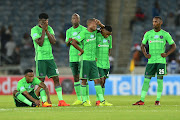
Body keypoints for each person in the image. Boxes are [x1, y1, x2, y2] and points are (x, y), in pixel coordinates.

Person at [133, 16, 176, 105]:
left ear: (161, 23)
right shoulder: (148, 34)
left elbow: (174, 46)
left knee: (159, 80)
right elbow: (142, 45)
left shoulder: (165, 34)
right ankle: (141, 100)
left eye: (156, 22)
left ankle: (157, 100)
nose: (154, 23)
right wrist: (145, 54)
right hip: (151, 61)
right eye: (153, 22)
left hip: (161, 61)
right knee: (146, 80)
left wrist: (166, 54)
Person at [30, 13, 70, 106]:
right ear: (39, 21)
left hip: (50, 58)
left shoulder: (50, 28)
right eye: (43, 21)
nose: (45, 23)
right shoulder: (34, 30)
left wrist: (47, 31)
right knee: (41, 81)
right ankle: (44, 102)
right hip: (40, 59)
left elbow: (53, 41)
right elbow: (39, 42)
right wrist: (43, 30)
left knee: (56, 78)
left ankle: (61, 101)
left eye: (47, 21)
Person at [71, 18, 112, 106]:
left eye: (96, 25)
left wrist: (100, 24)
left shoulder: (95, 32)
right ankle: (85, 100)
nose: (95, 26)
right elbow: (73, 42)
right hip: (85, 60)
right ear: (89, 25)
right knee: (84, 80)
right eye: (94, 25)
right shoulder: (83, 33)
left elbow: (105, 30)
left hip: (93, 60)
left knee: (97, 80)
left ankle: (101, 100)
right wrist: (81, 51)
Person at [65, 13, 86, 105]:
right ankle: (79, 99)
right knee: (76, 77)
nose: (75, 20)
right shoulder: (68, 31)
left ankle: (86, 98)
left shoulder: (84, 29)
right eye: (73, 18)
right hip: (72, 57)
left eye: (76, 18)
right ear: (71, 20)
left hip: (82, 56)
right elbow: (67, 44)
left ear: (79, 20)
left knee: (84, 78)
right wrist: (68, 42)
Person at [95, 25, 113, 106]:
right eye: (107, 34)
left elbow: (109, 49)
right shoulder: (97, 35)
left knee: (104, 82)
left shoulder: (109, 38)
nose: (108, 36)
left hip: (106, 63)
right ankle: (99, 100)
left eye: (109, 34)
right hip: (98, 63)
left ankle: (100, 100)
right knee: (100, 80)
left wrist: (107, 57)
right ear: (102, 31)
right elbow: (92, 29)